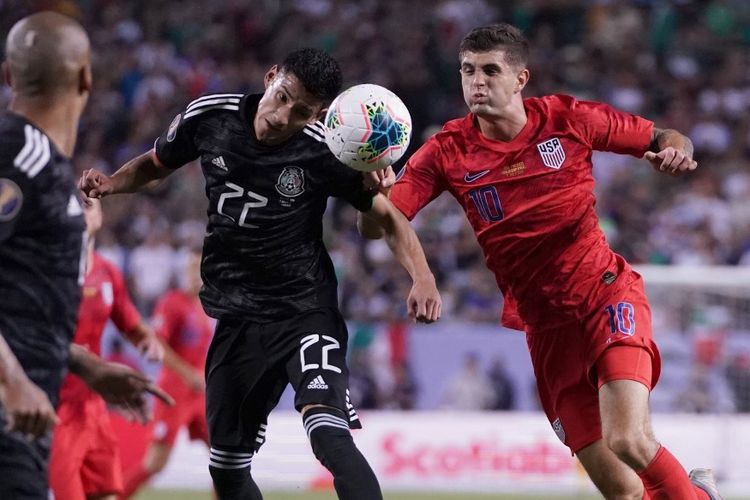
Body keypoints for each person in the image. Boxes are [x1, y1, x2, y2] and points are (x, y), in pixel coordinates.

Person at [360, 23, 721, 500]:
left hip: (606, 295)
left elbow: (664, 136)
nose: (477, 82)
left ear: (520, 79)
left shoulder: (568, 118)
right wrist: (381, 207)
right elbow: (379, 222)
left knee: (629, 439)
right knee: (623, 491)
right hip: (547, 329)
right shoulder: (447, 151)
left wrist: (676, 151)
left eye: (490, 70)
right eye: (468, 70)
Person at [79, 48, 442, 500]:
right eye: (283, 96)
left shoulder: (328, 149)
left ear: (322, 113)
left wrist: (422, 275)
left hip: (305, 311)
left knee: (329, 435)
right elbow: (156, 163)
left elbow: (381, 222)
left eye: (303, 111)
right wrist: (113, 183)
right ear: (271, 77)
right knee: (227, 470)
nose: (284, 115)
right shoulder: (210, 117)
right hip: (236, 316)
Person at [0, 12, 173, 499]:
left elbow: (18, 311)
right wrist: (12, 381)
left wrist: (82, 364)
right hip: (11, 410)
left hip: (28, 410)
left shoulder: (46, 169)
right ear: (85, 78)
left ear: (8, 75)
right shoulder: (20, 154)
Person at [49, 198, 165, 500]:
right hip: (55, 407)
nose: (81, 210)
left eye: (88, 205)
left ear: (100, 215)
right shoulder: (48, 269)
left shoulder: (107, 272)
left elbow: (130, 322)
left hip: (93, 407)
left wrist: (147, 342)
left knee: (107, 494)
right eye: (74, 204)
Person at [122, 249, 214, 498]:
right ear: (184, 271)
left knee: (224, 457)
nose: (196, 274)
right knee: (155, 463)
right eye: (192, 267)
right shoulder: (173, 303)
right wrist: (188, 374)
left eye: (201, 267)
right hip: (174, 392)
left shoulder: (207, 307)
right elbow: (157, 343)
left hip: (200, 395)